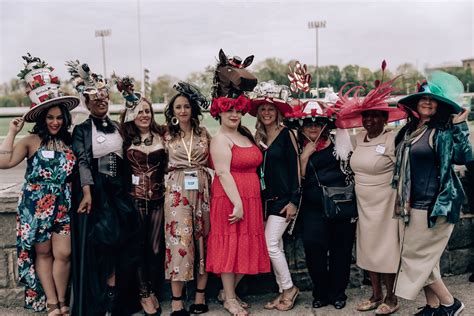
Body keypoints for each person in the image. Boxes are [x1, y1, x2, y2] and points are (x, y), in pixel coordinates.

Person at [0, 54, 80, 315]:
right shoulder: (31, 141)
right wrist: (12, 132)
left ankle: (61, 297)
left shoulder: (70, 142)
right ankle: (54, 302)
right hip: (35, 206)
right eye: (50, 118)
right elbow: (4, 162)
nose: (55, 122)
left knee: (64, 254)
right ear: (42, 118)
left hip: (62, 204)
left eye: (59, 117)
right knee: (43, 254)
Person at [393, 71, 472, 315]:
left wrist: (460, 126)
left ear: (439, 105)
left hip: (433, 205)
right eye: (422, 98)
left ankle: (450, 303)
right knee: (428, 260)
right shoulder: (409, 131)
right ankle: (433, 306)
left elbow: (464, 157)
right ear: (416, 104)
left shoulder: (443, 131)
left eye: (432, 99)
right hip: (409, 203)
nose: (427, 102)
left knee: (415, 258)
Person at [67, 61, 141, 316]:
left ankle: (119, 297)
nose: (101, 102)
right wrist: (87, 192)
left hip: (119, 192)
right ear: (86, 104)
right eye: (95, 100)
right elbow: (83, 161)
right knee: (103, 246)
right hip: (98, 193)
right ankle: (103, 297)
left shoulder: (118, 127)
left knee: (124, 245)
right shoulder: (82, 130)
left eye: (104, 99)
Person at [335, 71, 406, 315]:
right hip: (363, 203)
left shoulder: (393, 139)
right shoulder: (358, 138)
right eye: (367, 116)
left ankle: (392, 297)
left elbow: (404, 171)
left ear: (385, 119)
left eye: (376, 116)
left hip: (385, 202)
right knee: (366, 249)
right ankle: (375, 295)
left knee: (386, 250)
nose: (370, 120)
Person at [285, 100, 356, 311]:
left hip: (340, 206)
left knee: (341, 252)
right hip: (313, 209)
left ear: (326, 125)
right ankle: (321, 293)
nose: (313, 127)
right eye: (308, 123)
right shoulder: (296, 148)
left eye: (318, 123)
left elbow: (351, 170)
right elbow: (294, 180)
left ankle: (338, 293)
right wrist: (305, 158)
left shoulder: (340, 144)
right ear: (301, 126)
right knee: (314, 249)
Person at [206, 95, 271, 316]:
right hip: (230, 198)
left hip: (251, 197)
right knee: (230, 244)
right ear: (219, 114)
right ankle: (230, 299)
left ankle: (227, 292)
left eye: (237, 111)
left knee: (248, 244)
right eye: (229, 111)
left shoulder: (244, 135)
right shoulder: (220, 139)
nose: (234, 115)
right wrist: (238, 203)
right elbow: (223, 172)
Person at [116, 75, 166, 316]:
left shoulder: (163, 136)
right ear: (131, 115)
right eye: (139, 111)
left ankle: (154, 288)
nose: (144, 115)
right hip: (134, 200)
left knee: (155, 248)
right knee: (137, 247)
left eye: (147, 111)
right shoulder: (124, 139)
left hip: (158, 200)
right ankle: (144, 294)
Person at [249, 81, 300, 311]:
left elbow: (296, 169)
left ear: (277, 112)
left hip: (283, 200)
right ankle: (282, 293)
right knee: (276, 244)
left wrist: (294, 200)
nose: (267, 112)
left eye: (271, 109)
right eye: (263, 109)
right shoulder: (257, 138)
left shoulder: (287, 134)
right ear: (258, 113)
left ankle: (289, 288)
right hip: (265, 201)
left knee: (270, 243)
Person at [162, 82, 212, 316]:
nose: (182, 111)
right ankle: (177, 300)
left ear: (192, 109)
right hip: (176, 191)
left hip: (202, 188)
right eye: (177, 107)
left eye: (186, 107)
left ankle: (200, 295)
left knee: (203, 238)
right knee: (179, 241)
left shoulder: (204, 133)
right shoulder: (166, 135)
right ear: (172, 112)